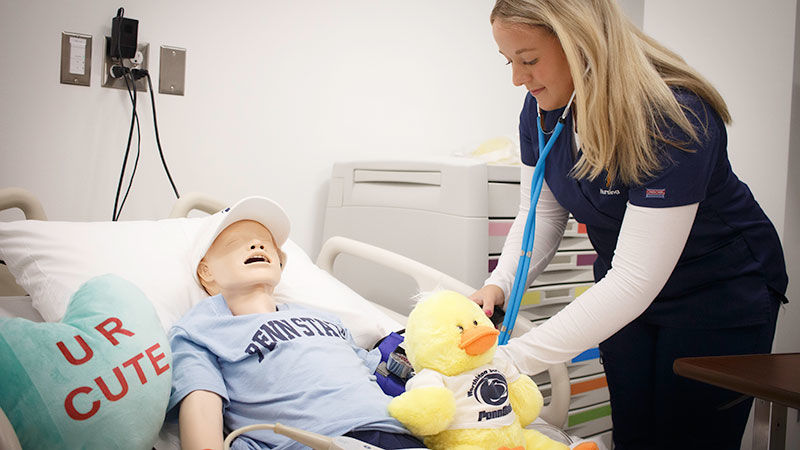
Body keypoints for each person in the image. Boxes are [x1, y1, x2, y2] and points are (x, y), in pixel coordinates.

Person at [470, 1, 788, 449]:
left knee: (688, 439)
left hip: (719, 290)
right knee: (636, 433)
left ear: (583, 43)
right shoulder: (544, 110)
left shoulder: (673, 116)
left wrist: (511, 360)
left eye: (529, 60)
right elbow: (541, 213)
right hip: (628, 290)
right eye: (510, 62)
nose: (519, 79)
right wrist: (500, 285)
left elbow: (636, 279)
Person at [166, 197, 424, 450]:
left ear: (281, 263)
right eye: (235, 243)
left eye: (266, 244)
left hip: (400, 433)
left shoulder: (327, 320)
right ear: (206, 271)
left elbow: (377, 375)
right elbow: (201, 414)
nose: (257, 245)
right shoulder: (200, 330)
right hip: (321, 441)